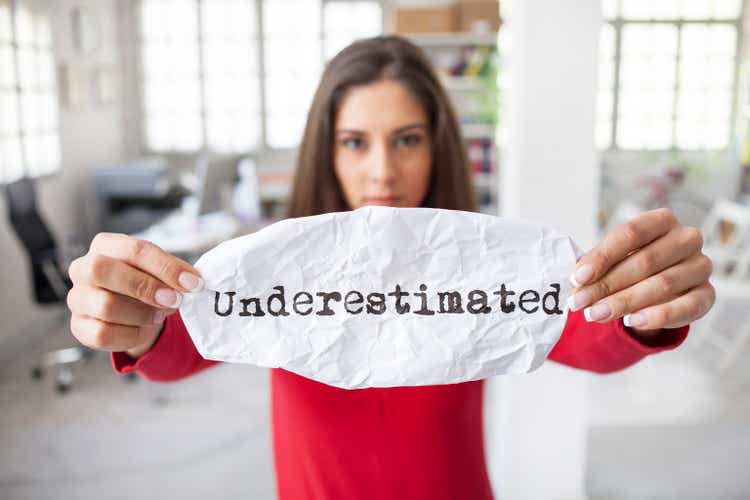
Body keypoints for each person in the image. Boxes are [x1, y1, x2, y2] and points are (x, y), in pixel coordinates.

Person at [66, 36, 714, 499]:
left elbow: (582, 333)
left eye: (407, 139)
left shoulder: (486, 274)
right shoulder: (272, 271)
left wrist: (642, 309)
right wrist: (133, 320)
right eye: (355, 142)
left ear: (437, 146)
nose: (382, 170)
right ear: (327, 150)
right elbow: (183, 348)